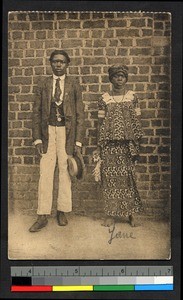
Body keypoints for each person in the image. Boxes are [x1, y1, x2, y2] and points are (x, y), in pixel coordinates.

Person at [29, 49, 85, 232]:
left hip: (66, 134)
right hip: (47, 133)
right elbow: (36, 112)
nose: (58, 65)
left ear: (67, 64)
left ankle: (62, 210)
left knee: (65, 171)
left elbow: (79, 115)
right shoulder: (43, 84)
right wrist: (37, 138)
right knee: (45, 172)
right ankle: (42, 214)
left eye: (62, 62)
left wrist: (77, 142)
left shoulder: (74, 84)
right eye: (55, 61)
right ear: (50, 63)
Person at [94, 64, 144, 227]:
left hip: (127, 145)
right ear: (111, 79)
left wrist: (136, 142)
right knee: (110, 179)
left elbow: (137, 120)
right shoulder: (104, 99)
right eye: (116, 76)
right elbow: (100, 123)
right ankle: (111, 214)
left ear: (126, 78)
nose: (119, 79)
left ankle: (131, 214)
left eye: (122, 76)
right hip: (109, 145)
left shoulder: (132, 97)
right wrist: (99, 145)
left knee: (128, 178)